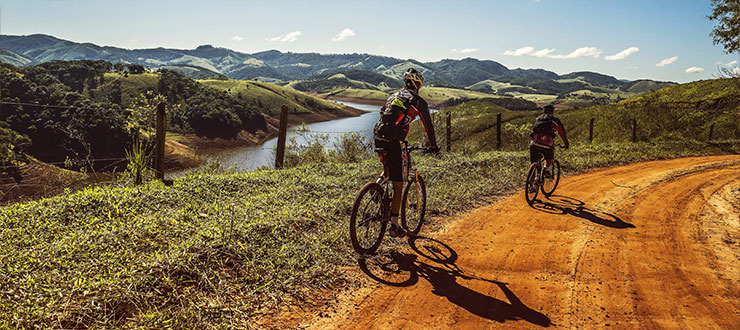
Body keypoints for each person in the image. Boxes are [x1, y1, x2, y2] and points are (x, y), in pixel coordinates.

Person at [373, 68, 439, 237]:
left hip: (379, 136)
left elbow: (383, 115)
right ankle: (395, 225)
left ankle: (376, 187)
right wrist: (433, 146)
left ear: (405, 83)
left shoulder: (394, 96)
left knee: (388, 169)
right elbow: (428, 127)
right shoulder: (418, 101)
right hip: (395, 141)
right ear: (418, 85)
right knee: (398, 184)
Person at [530, 104, 569, 178]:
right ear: (553, 111)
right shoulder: (555, 121)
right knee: (549, 159)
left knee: (533, 162)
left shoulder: (538, 119)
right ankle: (545, 169)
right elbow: (562, 133)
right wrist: (566, 144)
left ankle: (531, 185)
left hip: (534, 143)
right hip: (547, 145)